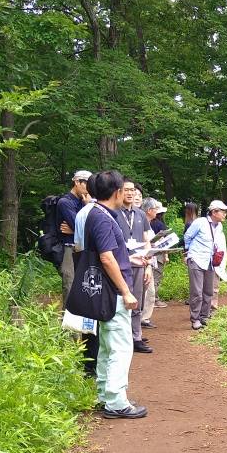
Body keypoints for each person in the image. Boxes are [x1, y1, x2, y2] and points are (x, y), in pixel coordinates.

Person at [73, 170, 147, 419]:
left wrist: (131, 258)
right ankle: (116, 402)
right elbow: (106, 257)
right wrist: (126, 292)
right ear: (116, 192)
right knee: (120, 347)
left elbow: (109, 252)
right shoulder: (103, 218)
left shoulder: (96, 213)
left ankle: (105, 395)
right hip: (112, 292)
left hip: (105, 290)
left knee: (107, 346)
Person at [118, 180, 153, 353]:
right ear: (119, 191)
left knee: (138, 300)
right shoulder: (114, 213)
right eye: (126, 190)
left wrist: (148, 265)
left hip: (140, 264)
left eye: (132, 190)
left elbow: (147, 240)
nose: (130, 193)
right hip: (121, 264)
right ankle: (122, 338)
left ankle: (136, 337)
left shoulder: (140, 214)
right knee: (121, 300)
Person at [184, 200, 227, 330]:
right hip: (197, 259)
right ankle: (195, 319)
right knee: (197, 292)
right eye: (223, 211)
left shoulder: (219, 226)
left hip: (210, 261)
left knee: (208, 291)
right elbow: (187, 236)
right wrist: (188, 252)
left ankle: (204, 316)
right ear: (214, 212)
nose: (225, 214)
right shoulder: (200, 222)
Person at [57, 169, 92, 304]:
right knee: (70, 283)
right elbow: (78, 225)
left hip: (82, 247)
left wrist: (74, 231)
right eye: (86, 184)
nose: (89, 189)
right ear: (77, 182)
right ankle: (67, 320)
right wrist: (79, 229)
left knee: (85, 283)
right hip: (68, 248)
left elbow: (90, 227)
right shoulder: (65, 202)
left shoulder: (84, 202)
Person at [140, 197, 167, 327]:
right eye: (156, 209)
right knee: (147, 291)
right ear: (149, 210)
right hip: (143, 261)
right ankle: (141, 319)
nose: (157, 211)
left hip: (151, 260)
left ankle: (144, 318)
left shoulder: (149, 223)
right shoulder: (141, 222)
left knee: (149, 291)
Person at [147, 199, 170, 309]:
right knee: (156, 276)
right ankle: (154, 299)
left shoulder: (148, 222)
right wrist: (166, 255)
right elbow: (165, 242)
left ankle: (152, 299)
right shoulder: (160, 224)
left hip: (150, 252)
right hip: (158, 253)